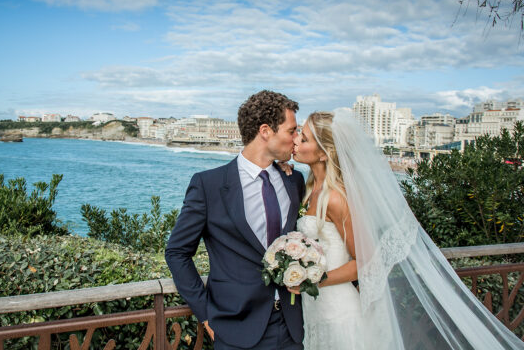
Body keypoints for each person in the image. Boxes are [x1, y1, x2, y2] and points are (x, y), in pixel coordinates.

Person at [286, 109, 522, 349]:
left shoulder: (336, 199)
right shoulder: (309, 188)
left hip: (337, 310)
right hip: (314, 306)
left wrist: (314, 279)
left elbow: (364, 262)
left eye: (303, 138)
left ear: (325, 154)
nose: (295, 140)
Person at [165, 90, 306, 349]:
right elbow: (176, 252)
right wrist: (205, 314)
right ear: (266, 131)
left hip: (292, 327)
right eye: (291, 131)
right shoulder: (209, 185)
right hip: (235, 330)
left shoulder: (294, 181)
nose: (296, 140)